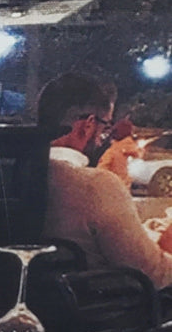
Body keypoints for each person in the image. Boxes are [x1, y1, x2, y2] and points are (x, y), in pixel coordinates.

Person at [40, 72, 172, 286]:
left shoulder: (11, 174)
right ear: (88, 124)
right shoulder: (94, 186)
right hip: (98, 302)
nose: (104, 138)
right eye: (106, 126)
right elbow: (153, 275)